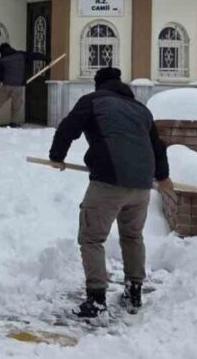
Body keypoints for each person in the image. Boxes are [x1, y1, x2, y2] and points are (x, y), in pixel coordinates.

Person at [48, 67, 174, 318]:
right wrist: (163, 176)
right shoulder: (141, 110)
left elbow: (67, 128)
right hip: (141, 186)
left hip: (108, 182)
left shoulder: (93, 101)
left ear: (99, 85)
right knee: (132, 237)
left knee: (92, 238)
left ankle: (96, 300)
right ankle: (133, 292)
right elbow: (157, 147)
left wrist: (56, 157)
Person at [0, 42, 47, 128]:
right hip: (18, 86)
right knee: (16, 107)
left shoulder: (1, 60)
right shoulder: (21, 55)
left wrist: (4, 80)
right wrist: (45, 58)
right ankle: (14, 123)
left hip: (6, 86)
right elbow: (34, 55)